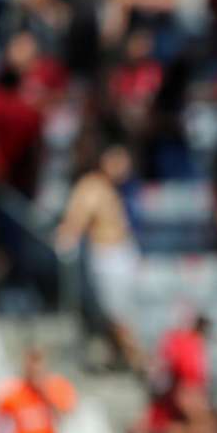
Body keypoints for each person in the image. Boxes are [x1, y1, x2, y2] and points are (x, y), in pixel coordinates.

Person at [55, 143, 143, 371]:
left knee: (126, 311)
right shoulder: (91, 187)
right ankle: (138, 359)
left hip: (123, 254)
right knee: (116, 313)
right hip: (108, 258)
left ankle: (120, 356)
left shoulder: (116, 188)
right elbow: (74, 222)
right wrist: (67, 240)